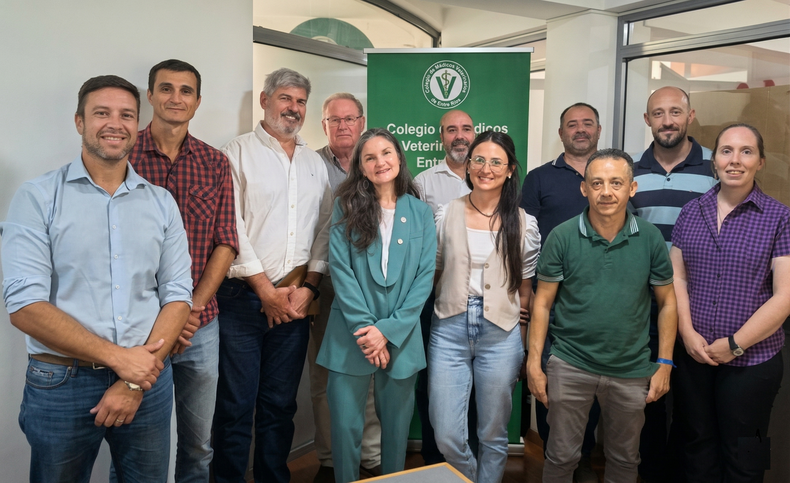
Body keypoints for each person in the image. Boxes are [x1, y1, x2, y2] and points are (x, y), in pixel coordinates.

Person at [1, 75, 193, 482]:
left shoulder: (161, 203)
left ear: (137, 126)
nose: (115, 123)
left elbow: (178, 296)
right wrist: (123, 363)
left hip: (148, 382)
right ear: (79, 122)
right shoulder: (37, 197)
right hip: (62, 382)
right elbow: (24, 306)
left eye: (126, 115)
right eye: (101, 113)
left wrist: (135, 380)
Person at [527, 148, 677, 482]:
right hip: (570, 363)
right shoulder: (562, 236)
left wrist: (665, 362)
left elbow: (667, 302)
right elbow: (542, 303)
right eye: (596, 183)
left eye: (615, 183)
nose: (606, 191)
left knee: (625, 460)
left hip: (631, 368)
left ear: (631, 188)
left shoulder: (651, 238)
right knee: (561, 457)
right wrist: (535, 364)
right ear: (584, 188)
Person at [212, 68, 333, 483]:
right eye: (285, 98)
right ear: (265, 100)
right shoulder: (236, 152)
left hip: (295, 300)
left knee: (280, 405)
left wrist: (308, 288)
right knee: (234, 406)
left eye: (300, 101)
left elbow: (324, 229)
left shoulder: (315, 162)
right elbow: (230, 226)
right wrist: (264, 290)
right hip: (242, 301)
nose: (293, 108)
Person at [128, 59, 238, 483]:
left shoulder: (214, 162)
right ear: (151, 95)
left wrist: (189, 309)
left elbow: (226, 241)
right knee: (136, 446)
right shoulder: (125, 155)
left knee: (198, 444)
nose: (176, 98)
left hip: (199, 325)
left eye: (186, 91)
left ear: (197, 101)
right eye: (167, 89)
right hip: (138, 325)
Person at [670, 124, 790, 482]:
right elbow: (678, 278)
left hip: (754, 361)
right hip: (695, 355)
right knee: (697, 446)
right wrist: (687, 332)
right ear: (714, 159)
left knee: (748, 452)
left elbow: (785, 296)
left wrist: (735, 345)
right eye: (726, 151)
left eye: (746, 151)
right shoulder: (692, 211)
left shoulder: (780, 217)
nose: (735, 160)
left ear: (760, 162)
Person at [316, 128, 436, 483]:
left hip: (400, 337)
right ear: (361, 167)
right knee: (345, 429)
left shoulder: (421, 213)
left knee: (397, 434)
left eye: (386, 153)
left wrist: (387, 332)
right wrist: (368, 331)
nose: (380, 162)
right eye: (370, 157)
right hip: (350, 334)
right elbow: (340, 271)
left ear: (399, 157)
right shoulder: (345, 205)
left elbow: (424, 279)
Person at [430, 131, 540, 483]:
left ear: (510, 170)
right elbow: (433, 273)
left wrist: (523, 342)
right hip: (449, 328)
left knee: (493, 433)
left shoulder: (524, 223)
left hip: (502, 332)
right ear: (468, 164)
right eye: (479, 159)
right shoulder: (446, 214)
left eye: (496, 162)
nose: (486, 168)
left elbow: (525, 289)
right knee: (446, 434)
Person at [630, 86, 717, 482]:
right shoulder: (630, 172)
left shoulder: (717, 169)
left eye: (675, 112)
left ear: (690, 115)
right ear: (647, 120)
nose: (668, 121)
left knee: (693, 409)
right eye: (659, 113)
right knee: (645, 407)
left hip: (698, 309)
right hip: (643, 310)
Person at [519, 102, 602, 483]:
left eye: (587, 124)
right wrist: (528, 293)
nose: (580, 130)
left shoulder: (613, 173)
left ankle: (583, 460)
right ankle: (557, 463)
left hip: (601, 303)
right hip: (549, 303)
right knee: (553, 388)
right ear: (561, 132)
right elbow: (521, 238)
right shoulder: (538, 179)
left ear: (598, 130)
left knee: (596, 389)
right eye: (572, 124)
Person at [308, 93, 383, 483]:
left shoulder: (377, 164)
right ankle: (330, 458)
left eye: (349, 119)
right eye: (333, 120)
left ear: (361, 121)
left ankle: (368, 456)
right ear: (323, 125)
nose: (342, 126)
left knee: (369, 372)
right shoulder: (309, 164)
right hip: (324, 287)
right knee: (325, 377)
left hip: (372, 291)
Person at [413, 109, 475, 465]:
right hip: (434, 299)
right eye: (451, 130)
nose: (459, 136)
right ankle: (434, 458)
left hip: (482, 300)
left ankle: (469, 457)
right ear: (441, 137)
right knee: (431, 381)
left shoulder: (491, 175)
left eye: (466, 129)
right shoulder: (424, 183)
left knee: (476, 385)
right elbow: (421, 247)